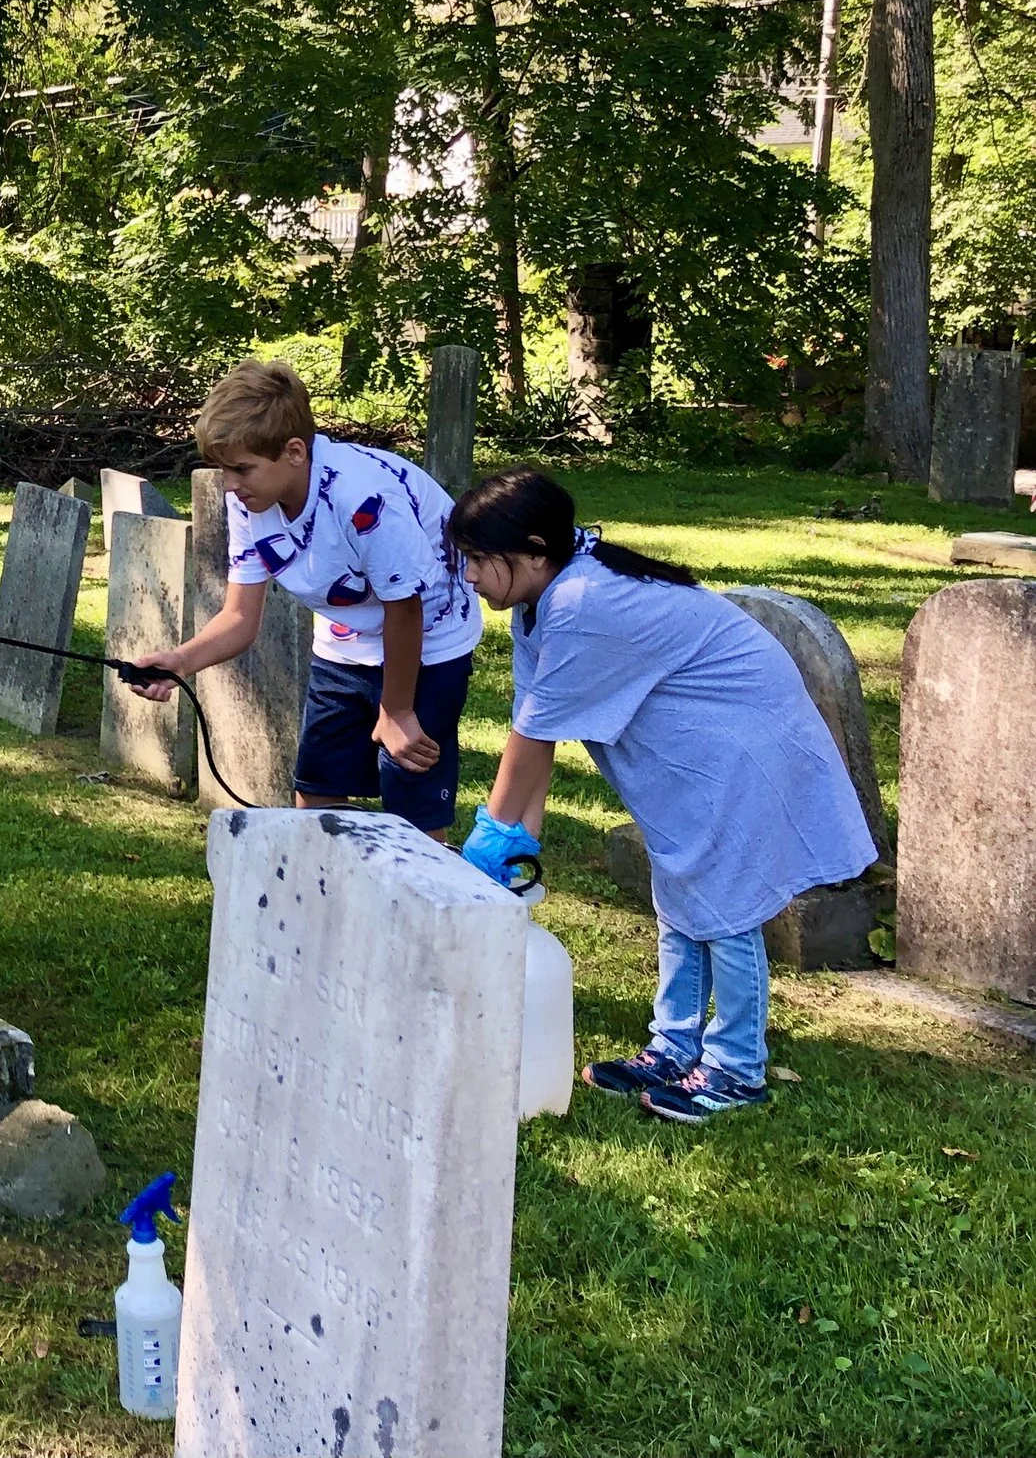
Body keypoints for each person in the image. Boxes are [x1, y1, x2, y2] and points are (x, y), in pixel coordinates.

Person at [449, 468, 875, 1125]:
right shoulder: (544, 602)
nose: (470, 576)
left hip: (742, 746)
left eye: (479, 559)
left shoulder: (584, 600)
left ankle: (737, 1066)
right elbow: (538, 729)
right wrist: (517, 842)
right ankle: (673, 1046)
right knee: (679, 893)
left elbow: (529, 738)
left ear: (534, 550)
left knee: (725, 908)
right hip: (695, 752)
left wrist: (492, 834)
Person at [131, 359, 481, 836]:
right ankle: (326, 905)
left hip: (429, 642)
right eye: (223, 469)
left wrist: (396, 710)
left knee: (412, 814)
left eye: (241, 469)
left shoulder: (362, 498)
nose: (229, 485)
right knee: (315, 797)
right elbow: (239, 616)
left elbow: (405, 608)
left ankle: (422, 904)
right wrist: (181, 660)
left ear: (294, 452)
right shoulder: (248, 502)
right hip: (342, 644)